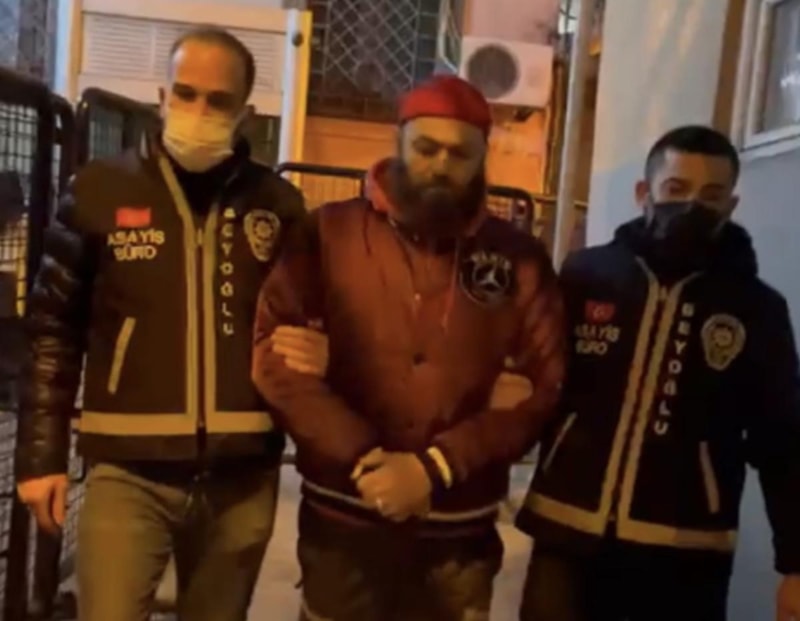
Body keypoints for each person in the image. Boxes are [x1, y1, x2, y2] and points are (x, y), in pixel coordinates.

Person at [15, 26, 327, 621]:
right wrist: (40, 456)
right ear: (162, 97)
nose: (198, 111)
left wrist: (320, 352)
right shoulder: (99, 191)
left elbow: (312, 324)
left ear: (246, 113)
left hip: (242, 479)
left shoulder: (279, 207)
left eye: (218, 101)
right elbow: (54, 330)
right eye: (185, 94)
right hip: (127, 473)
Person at [251, 74, 566, 621]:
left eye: (459, 153)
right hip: (343, 522)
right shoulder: (328, 234)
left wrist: (434, 468)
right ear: (398, 142)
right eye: (426, 148)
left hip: (459, 537)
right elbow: (276, 363)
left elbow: (542, 387)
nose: (441, 165)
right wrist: (367, 461)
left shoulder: (520, 259)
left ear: (483, 158)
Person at [516, 125, 800, 621]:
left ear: (731, 205)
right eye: (676, 188)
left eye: (711, 195)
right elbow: (533, 382)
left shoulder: (757, 309)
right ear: (643, 194)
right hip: (567, 532)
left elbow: (783, 439)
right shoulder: (586, 276)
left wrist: (795, 563)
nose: (692, 206)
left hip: (686, 552)